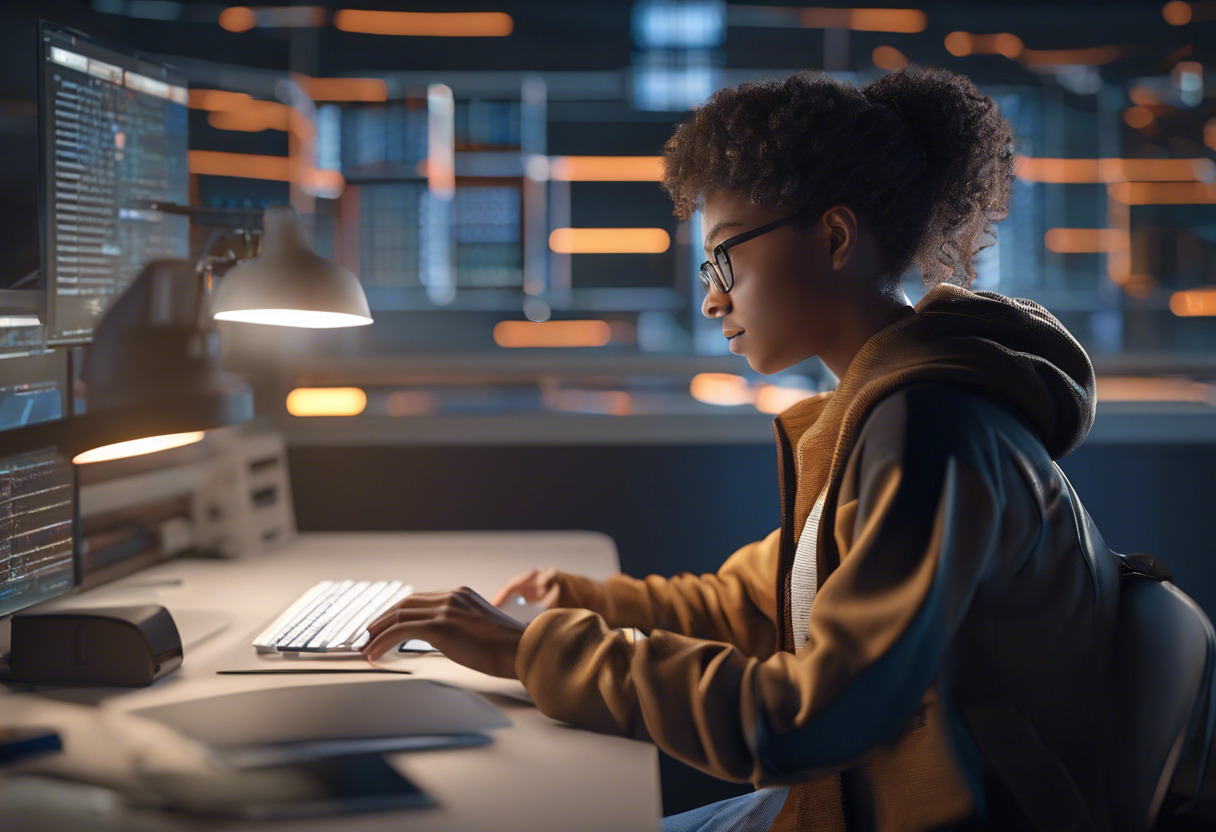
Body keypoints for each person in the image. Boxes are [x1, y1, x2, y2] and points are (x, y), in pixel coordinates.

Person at [362, 66, 1121, 831]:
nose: (711, 297)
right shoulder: (879, 409)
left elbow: (811, 722)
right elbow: (755, 606)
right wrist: (578, 602)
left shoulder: (927, 431)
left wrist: (535, 651)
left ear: (833, 238)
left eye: (726, 257)